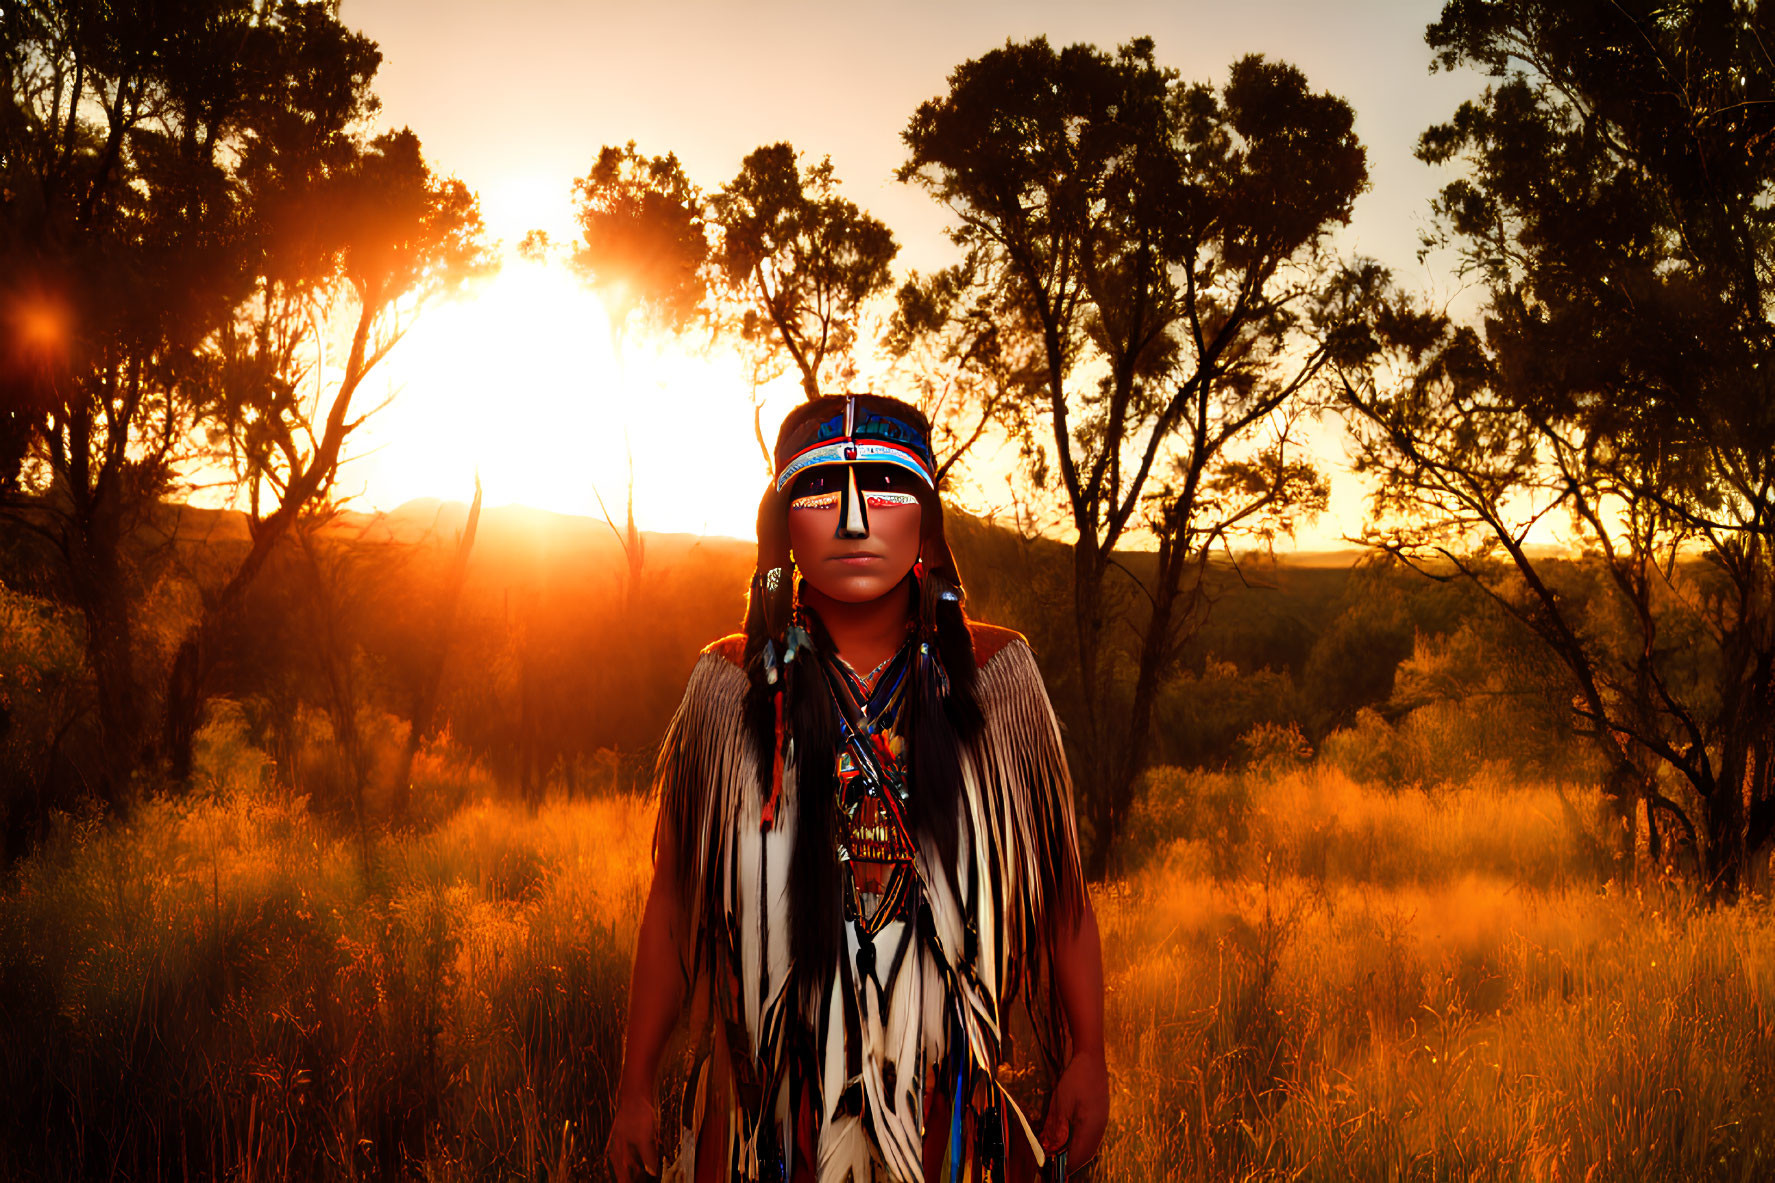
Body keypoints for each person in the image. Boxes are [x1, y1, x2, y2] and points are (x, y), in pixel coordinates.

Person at [605, 395, 1107, 1182]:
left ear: (926, 520)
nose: (849, 520)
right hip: (766, 1125)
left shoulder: (997, 678)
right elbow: (673, 896)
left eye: (882, 487)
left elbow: (1059, 888)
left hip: (949, 1117)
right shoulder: (725, 685)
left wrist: (1088, 1053)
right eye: (815, 492)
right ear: (783, 528)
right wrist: (634, 1086)